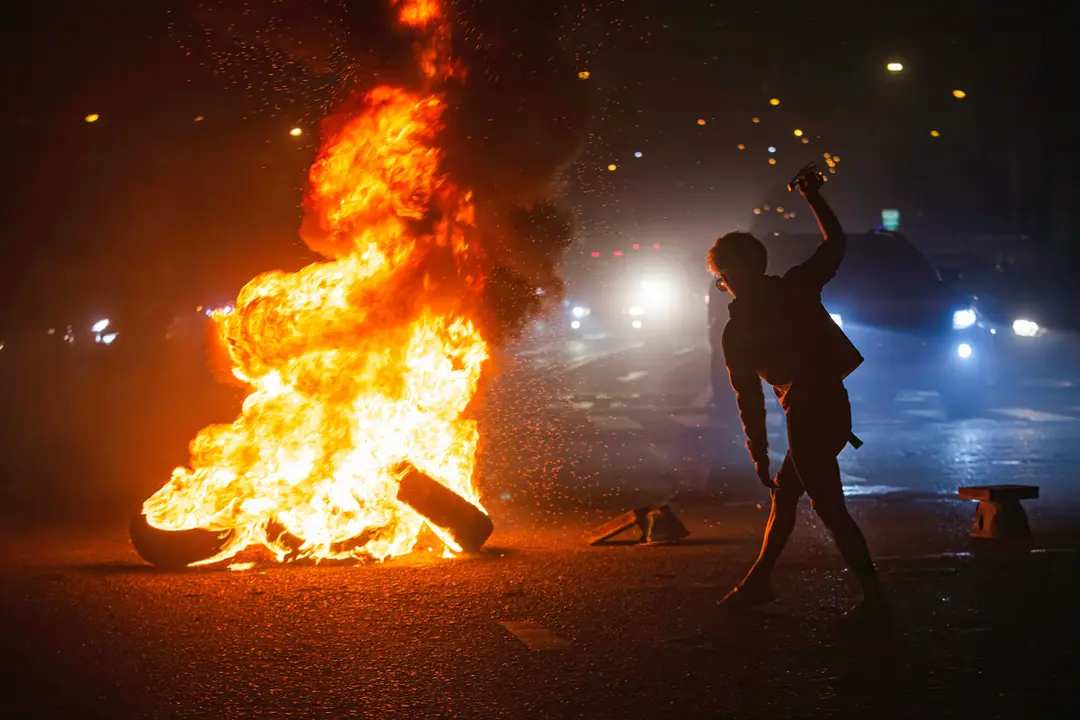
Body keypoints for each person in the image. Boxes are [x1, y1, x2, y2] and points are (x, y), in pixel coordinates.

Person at [706, 163, 889, 629]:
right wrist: (812, 196)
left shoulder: (739, 329)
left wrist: (758, 454)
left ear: (734, 275)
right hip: (831, 403)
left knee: (827, 505)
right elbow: (836, 245)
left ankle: (875, 595)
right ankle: (761, 579)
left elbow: (748, 398)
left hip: (808, 412)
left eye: (722, 277)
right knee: (789, 493)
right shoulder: (796, 287)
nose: (722, 286)